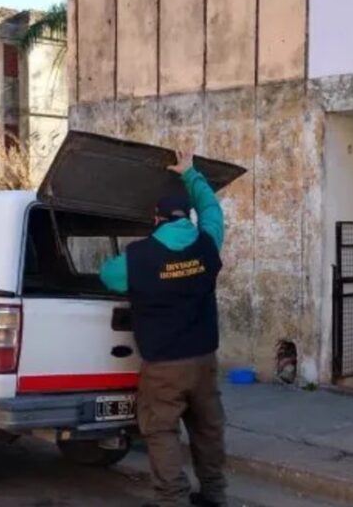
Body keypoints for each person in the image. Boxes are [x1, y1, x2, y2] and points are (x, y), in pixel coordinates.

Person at [99, 150, 226, 507]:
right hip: (204, 361)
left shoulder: (140, 257)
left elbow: (107, 275)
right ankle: (214, 495)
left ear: (156, 219)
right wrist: (191, 174)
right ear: (188, 216)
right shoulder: (207, 244)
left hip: (163, 366)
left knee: (162, 430)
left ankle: (173, 500)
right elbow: (213, 212)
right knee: (208, 428)